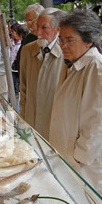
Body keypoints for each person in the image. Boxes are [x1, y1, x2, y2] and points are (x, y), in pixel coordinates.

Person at [49, 9, 102, 204]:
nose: (63, 46)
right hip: (69, 157)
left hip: (86, 163)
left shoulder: (98, 68)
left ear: (88, 40)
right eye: (61, 40)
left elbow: (99, 121)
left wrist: (78, 155)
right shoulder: (74, 64)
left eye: (69, 40)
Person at [19, 8, 65, 140]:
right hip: (31, 122)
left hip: (54, 126)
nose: (38, 32)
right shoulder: (27, 51)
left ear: (57, 29)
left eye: (44, 27)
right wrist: (23, 119)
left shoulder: (66, 54)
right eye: (37, 26)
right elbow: (23, 88)